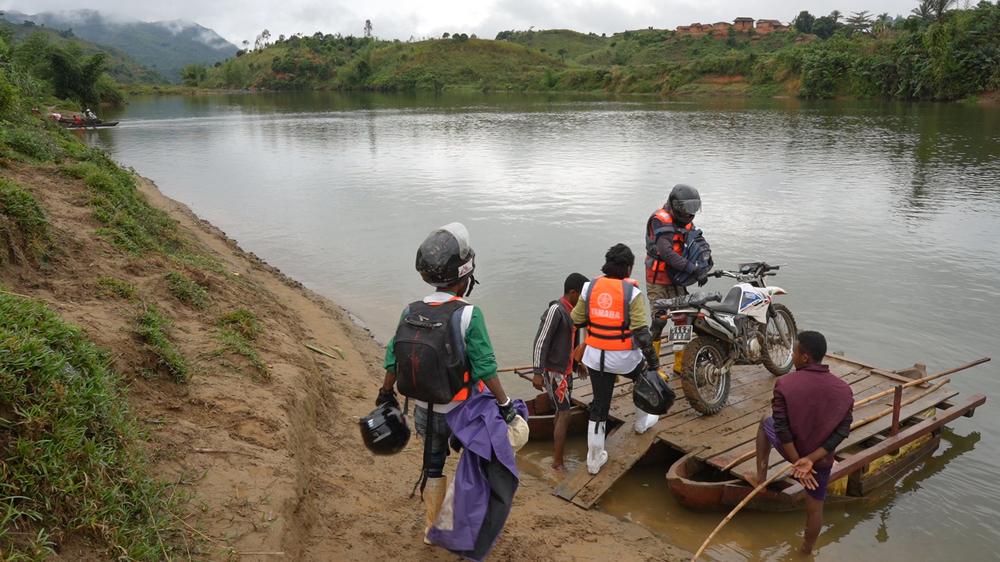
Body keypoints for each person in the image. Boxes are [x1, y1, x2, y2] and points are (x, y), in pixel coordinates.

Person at [377, 222, 517, 545]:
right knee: (476, 465)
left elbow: (392, 358)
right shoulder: (469, 314)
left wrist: (385, 393)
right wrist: (506, 404)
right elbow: (486, 368)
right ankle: (467, 525)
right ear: (465, 279)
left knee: (433, 465)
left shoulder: (411, 310)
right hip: (462, 414)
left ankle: (431, 528)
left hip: (424, 411)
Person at [754, 330, 853, 554]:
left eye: (795, 352)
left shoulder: (785, 384)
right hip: (821, 460)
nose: (793, 355)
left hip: (793, 451)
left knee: (764, 421)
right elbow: (842, 432)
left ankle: (760, 479)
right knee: (815, 510)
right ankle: (805, 553)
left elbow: (782, 429)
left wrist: (798, 461)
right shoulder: (844, 390)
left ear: (805, 357)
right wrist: (810, 460)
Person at [571, 244, 661, 475]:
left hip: (595, 358)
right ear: (629, 268)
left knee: (600, 405)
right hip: (623, 357)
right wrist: (653, 362)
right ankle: (641, 423)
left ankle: (594, 459)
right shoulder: (632, 293)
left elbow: (576, 319)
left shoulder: (589, 288)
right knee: (642, 378)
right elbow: (641, 333)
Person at [531, 272, 588, 471]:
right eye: (582, 296)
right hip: (554, 371)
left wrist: (578, 362)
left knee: (560, 412)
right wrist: (537, 372)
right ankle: (558, 463)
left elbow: (573, 339)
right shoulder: (555, 310)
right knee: (565, 414)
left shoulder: (573, 312)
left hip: (566, 369)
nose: (584, 300)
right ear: (572, 293)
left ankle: (556, 458)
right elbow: (541, 341)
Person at [645, 184, 704, 355]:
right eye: (685, 209)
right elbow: (667, 253)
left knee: (683, 318)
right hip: (658, 279)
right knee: (659, 319)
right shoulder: (660, 220)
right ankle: (653, 362)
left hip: (678, 278)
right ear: (674, 205)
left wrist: (704, 264)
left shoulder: (687, 223)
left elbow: (699, 242)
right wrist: (693, 269)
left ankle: (680, 362)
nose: (688, 213)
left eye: (692, 209)